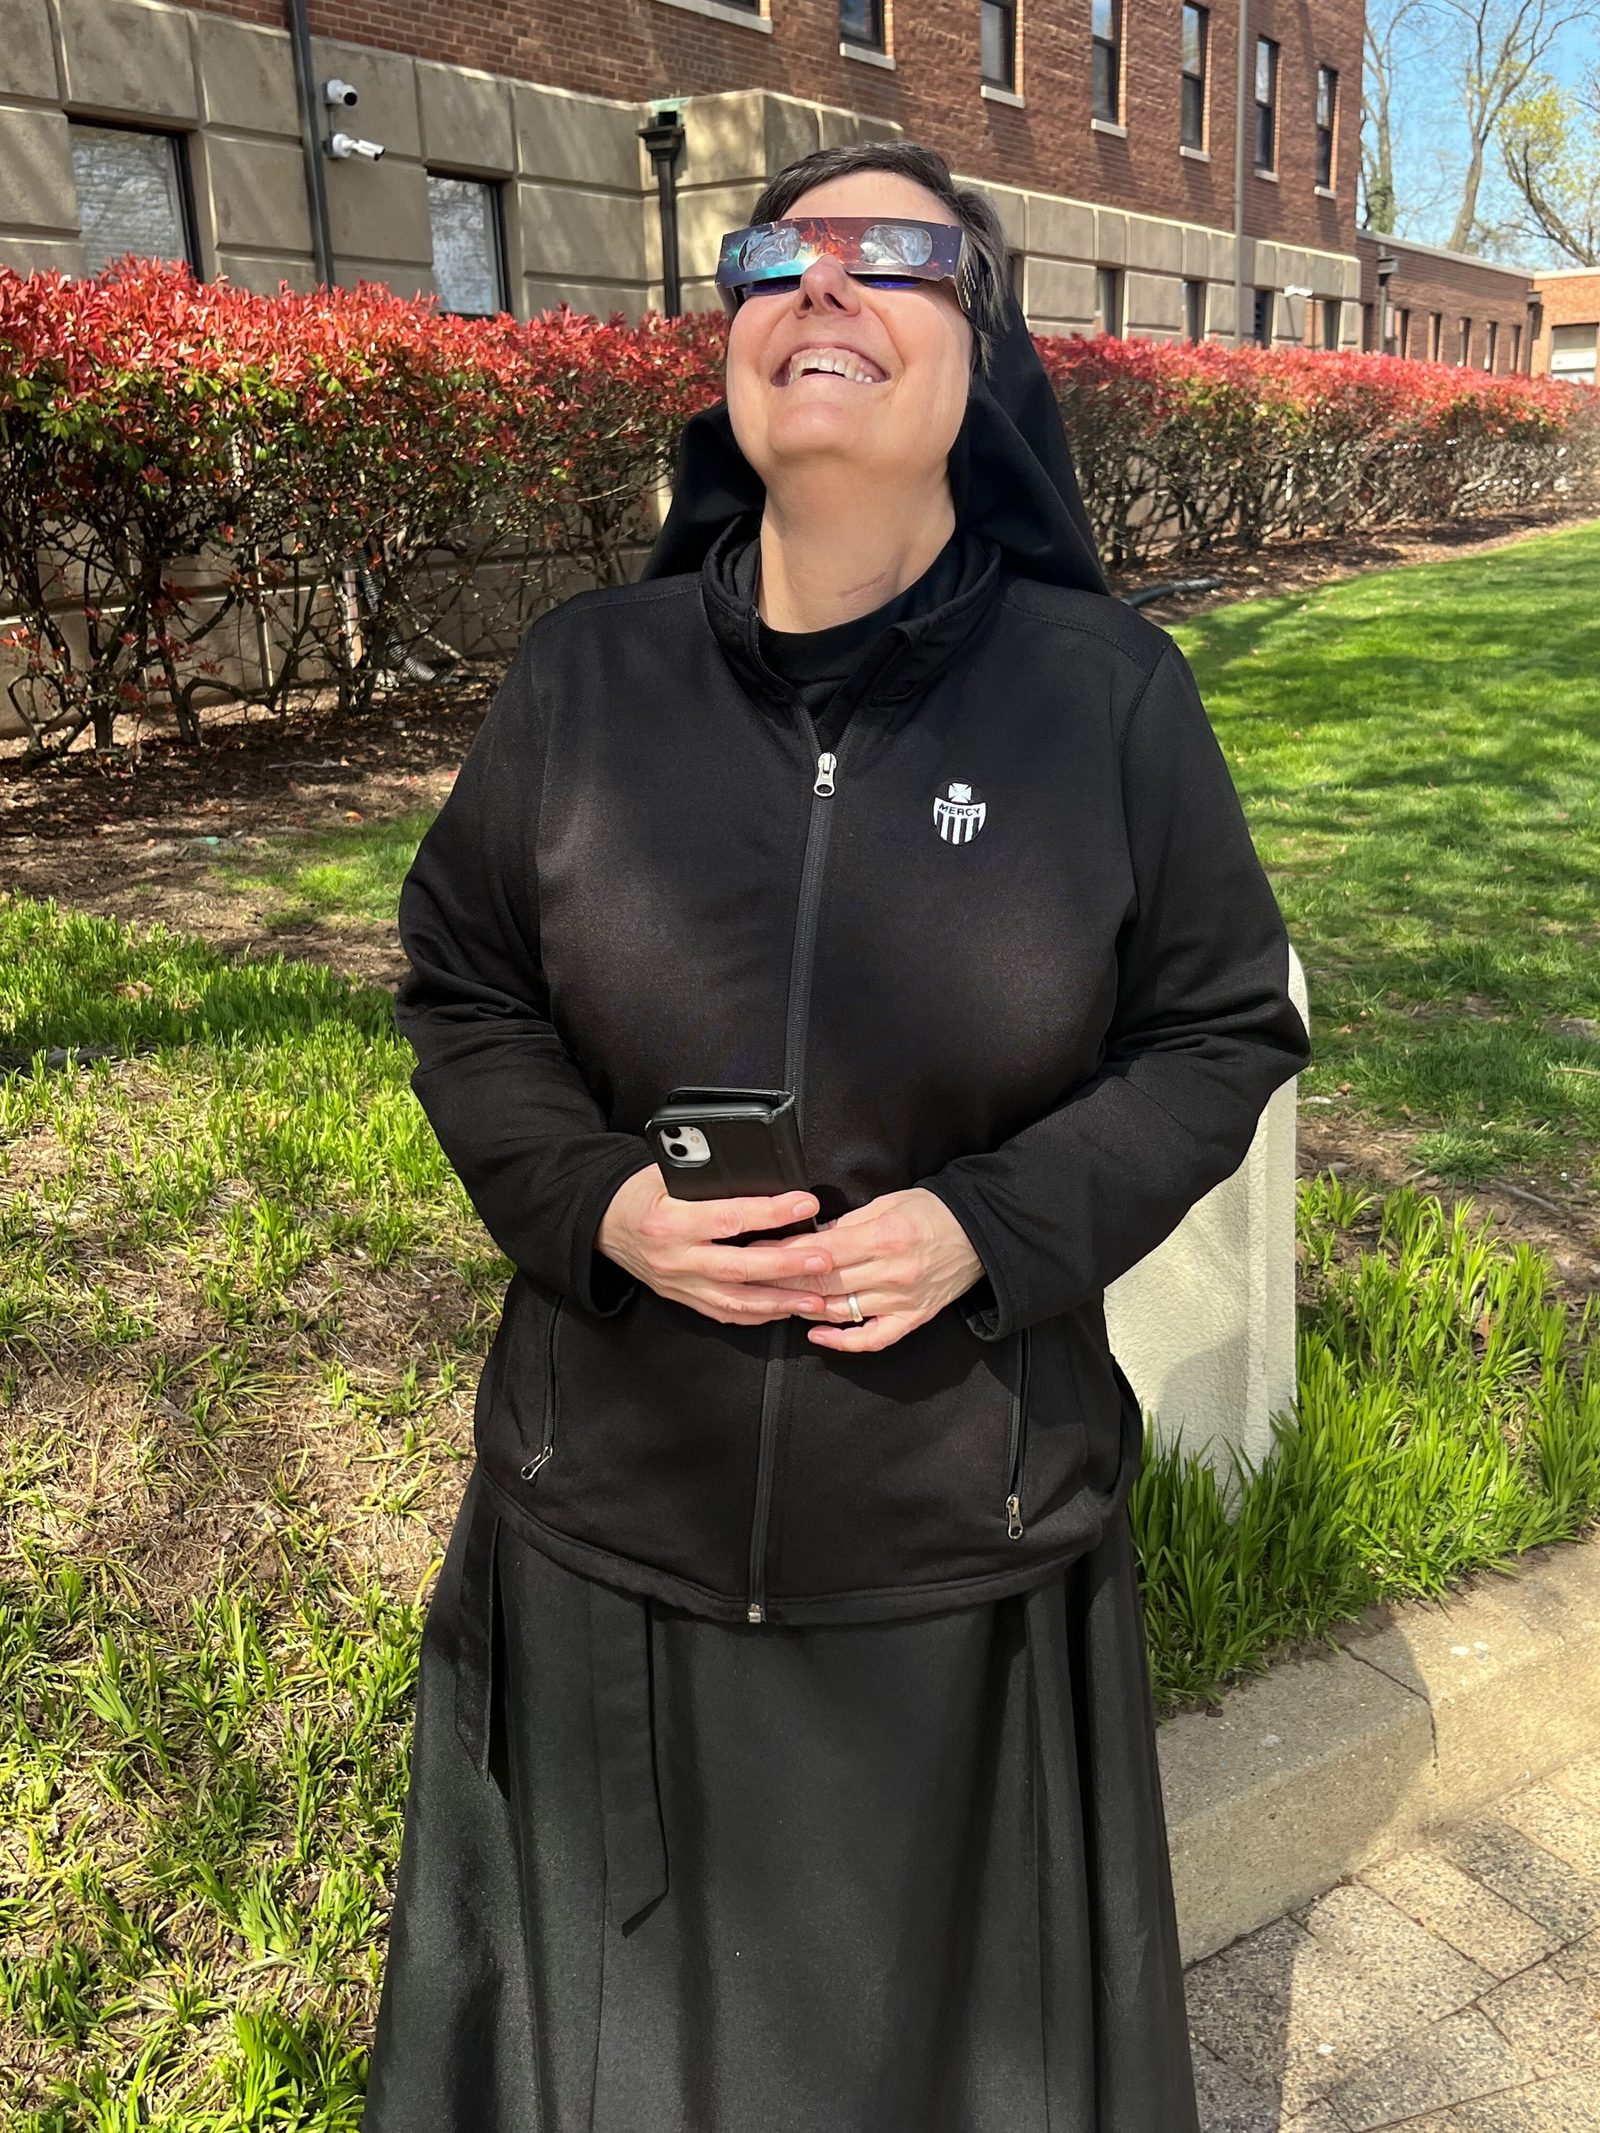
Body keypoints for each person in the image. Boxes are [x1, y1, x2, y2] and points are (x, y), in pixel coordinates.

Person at [364, 139, 1312, 2133]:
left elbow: (1218, 1025)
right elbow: (462, 989)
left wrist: (991, 1226)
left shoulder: (1107, 702)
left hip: (949, 1557)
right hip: (608, 1533)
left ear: (984, 353)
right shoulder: (580, 683)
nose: (821, 285)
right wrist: (593, 1196)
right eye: (772, 255)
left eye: (896, 255)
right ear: (725, 342)